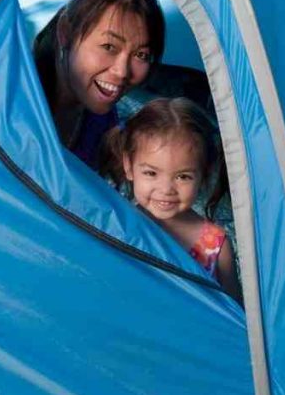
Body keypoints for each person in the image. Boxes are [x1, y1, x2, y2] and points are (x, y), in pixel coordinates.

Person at [100, 97, 242, 305]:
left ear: (203, 174)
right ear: (129, 166)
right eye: (151, 173)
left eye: (183, 176)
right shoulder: (116, 228)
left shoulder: (215, 246)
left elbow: (236, 320)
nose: (166, 190)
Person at [32, 0, 166, 170]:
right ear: (65, 32)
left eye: (141, 55)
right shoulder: (9, 103)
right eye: (109, 47)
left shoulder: (105, 125)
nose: (122, 72)